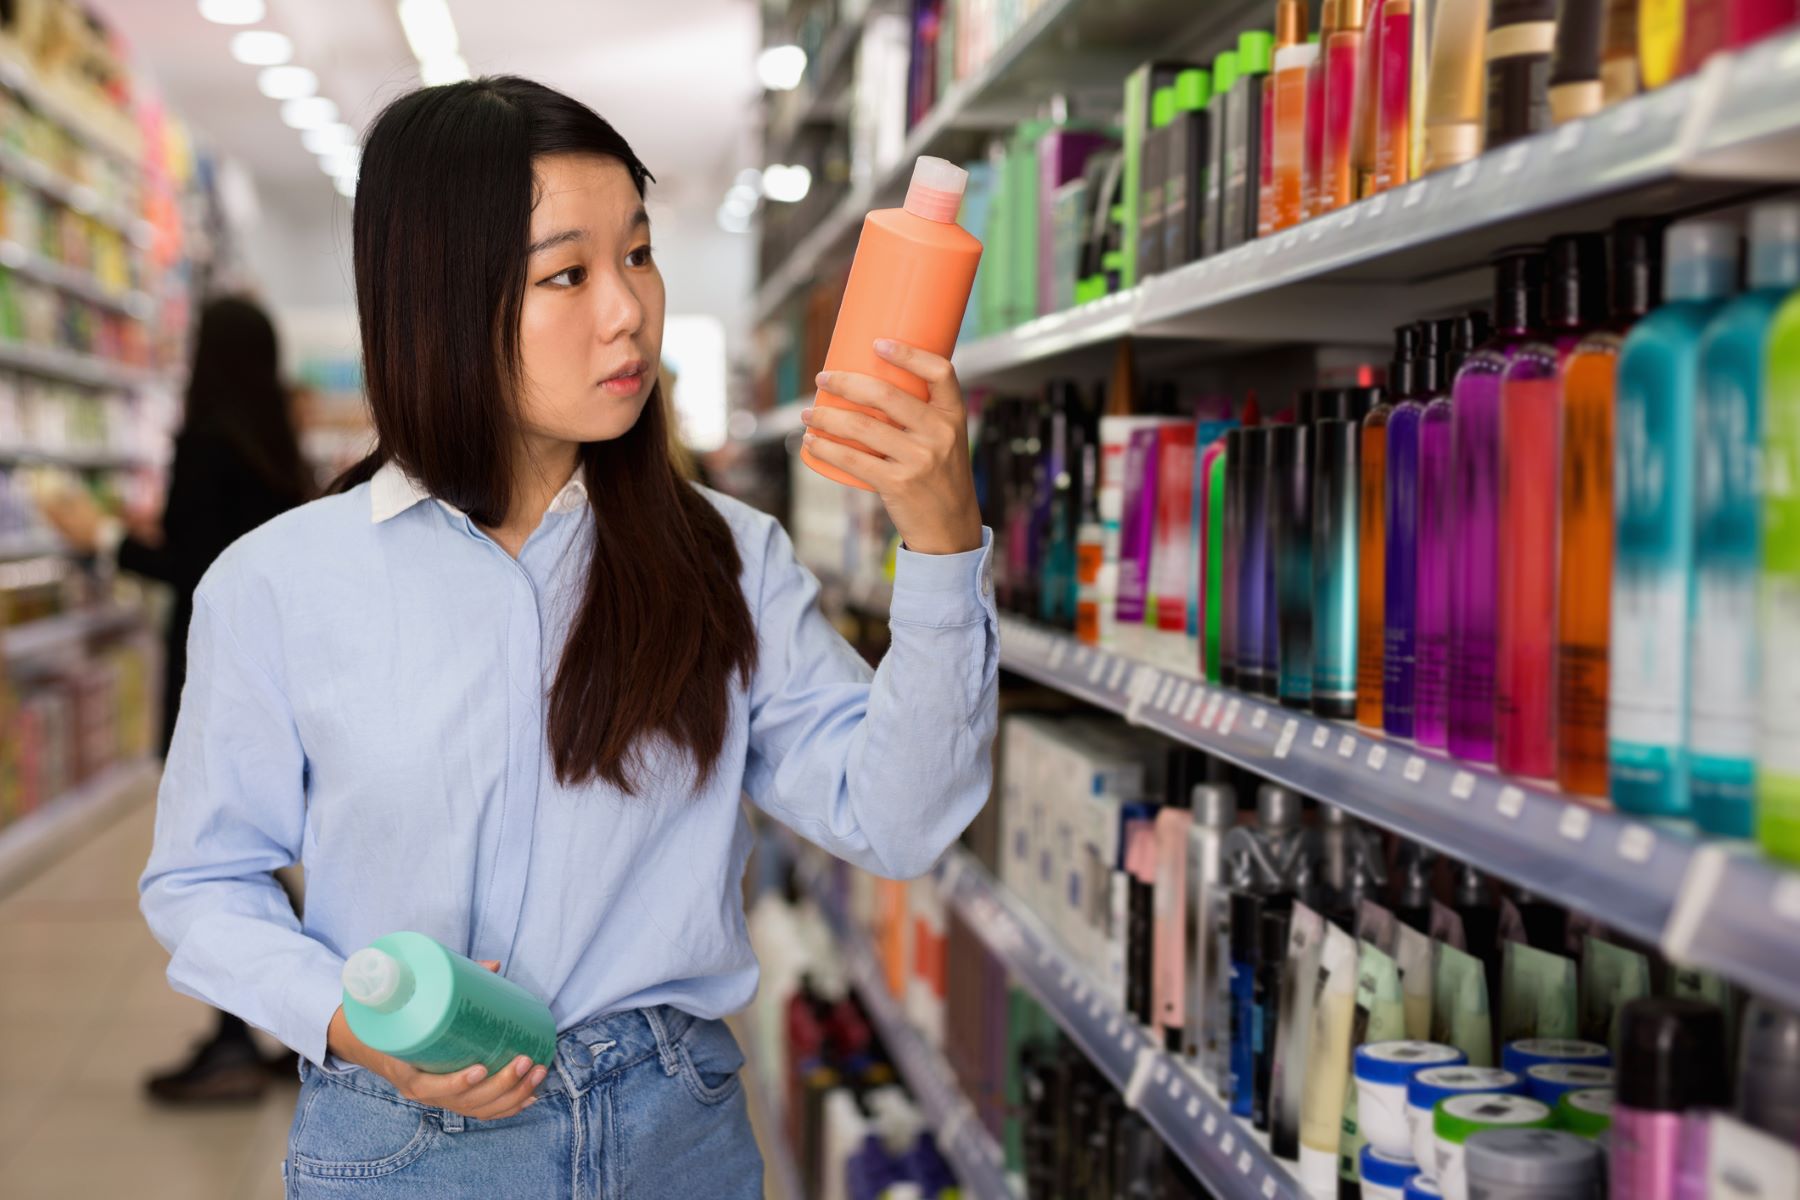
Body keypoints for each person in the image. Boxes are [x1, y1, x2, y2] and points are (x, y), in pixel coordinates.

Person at [138, 76, 997, 1198]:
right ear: (439, 299)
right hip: (403, 1146)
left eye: (637, 255)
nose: (628, 310)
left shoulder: (726, 560)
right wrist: (346, 1021)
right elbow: (204, 881)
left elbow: (902, 819)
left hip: (673, 1132)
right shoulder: (281, 583)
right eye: (567, 275)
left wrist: (941, 542)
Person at [41, 294, 312, 1105]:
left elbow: (191, 570)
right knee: (255, 848)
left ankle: (246, 1032)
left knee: (220, 853)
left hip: (208, 670)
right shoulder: (274, 446)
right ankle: (287, 1019)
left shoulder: (203, 443)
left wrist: (102, 538)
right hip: (272, 671)